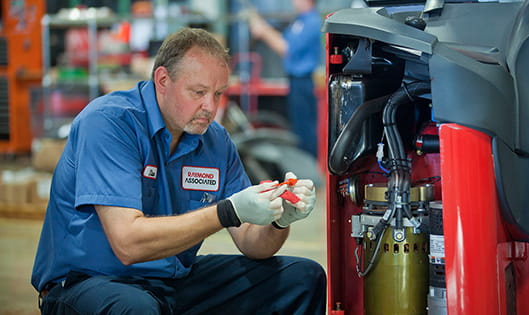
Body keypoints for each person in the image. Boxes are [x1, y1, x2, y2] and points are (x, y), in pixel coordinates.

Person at [31, 27, 326, 315]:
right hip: (92, 283)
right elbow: (128, 244)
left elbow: (252, 242)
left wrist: (278, 219)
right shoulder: (110, 123)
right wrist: (226, 212)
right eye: (198, 92)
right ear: (162, 79)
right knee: (137, 308)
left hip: (171, 281)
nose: (209, 107)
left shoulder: (216, 141)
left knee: (301, 277)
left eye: (218, 94)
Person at [249, 0, 322, 157]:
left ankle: (308, 168)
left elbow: (285, 47)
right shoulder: (299, 21)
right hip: (295, 82)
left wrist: (263, 30)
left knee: (305, 130)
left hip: (303, 82)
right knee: (298, 127)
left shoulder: (312, 21)